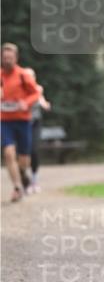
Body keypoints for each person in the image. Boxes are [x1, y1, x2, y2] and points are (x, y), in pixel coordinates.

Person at [1, 44, 40, 202]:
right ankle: (17, 188)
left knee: (24, 159)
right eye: (4, 58)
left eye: (10, 58)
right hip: (4, 121)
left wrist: (26, 102)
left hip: (23, 120)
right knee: (9, 153)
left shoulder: (23, 75)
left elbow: (36, 92)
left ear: (16, 58)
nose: (7, 61)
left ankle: (23, 173)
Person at [23, 67, 51, 193]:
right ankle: (25, 181)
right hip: (22, 123)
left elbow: (41, 100)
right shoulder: (19, 89)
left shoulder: (38, 88)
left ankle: (34, 179)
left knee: (33, 150)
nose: (29, 78)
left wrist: (45, 105)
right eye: (26, 76)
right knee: (23, 153)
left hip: (35, 123)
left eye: (31, 76)